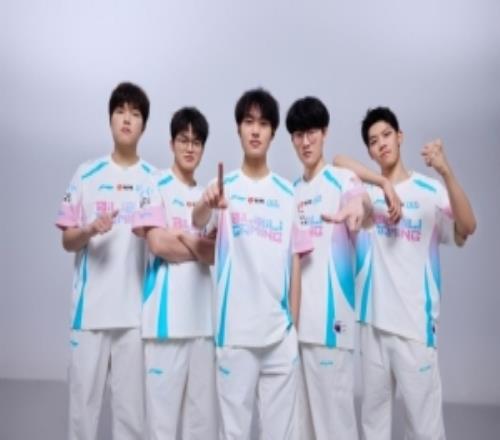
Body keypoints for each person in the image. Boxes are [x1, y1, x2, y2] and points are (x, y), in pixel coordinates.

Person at [334, 106, 476, 439]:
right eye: (373, 141)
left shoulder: (429, 191)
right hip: (373, 326)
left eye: (386, 135)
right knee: (373, 426)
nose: (381, 143)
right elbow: (338, 161)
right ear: (369, 151)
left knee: (424, 429)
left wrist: (446, 171)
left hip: (415, 328)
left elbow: (468, 226)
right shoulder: (367, 193)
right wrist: (383, 182)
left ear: (400, 137)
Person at [192, 88, 310, 439]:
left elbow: (295, 260)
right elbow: (198, 221)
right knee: (234, 433)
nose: (255, 130)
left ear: (273, 132)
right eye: (248, 122)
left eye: (263, 123)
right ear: (238, 129)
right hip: (235, 336)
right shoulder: (222, 187)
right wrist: (206, 202)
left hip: (279, 337)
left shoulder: (287, 193)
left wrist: (293, 329)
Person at [55, 82, 153, 440]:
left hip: (133, 317)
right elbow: (67, 241)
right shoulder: (86, 174)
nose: (127, 119)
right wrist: (89, 229)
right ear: (110, 119)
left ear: (143, 125)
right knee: (83, 413)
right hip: (90, 315)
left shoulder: (153, 180)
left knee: (131, 417)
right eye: (120, 111)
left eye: (135, 113)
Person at [286, 96, 371, 439]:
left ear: (325, 133)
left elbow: (362, 204)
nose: (305, 142)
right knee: (299, 429)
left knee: (334, 428)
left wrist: (359, 208)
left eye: (312, 133)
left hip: (331, 326)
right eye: (298, 135)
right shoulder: (290, 192)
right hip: (294, 329)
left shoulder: (343, 180)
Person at [131, 107, 218, 440]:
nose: (190, 148)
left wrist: (182, 238)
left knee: (202, 427)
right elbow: (158, 244)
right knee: (161, 427)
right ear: (172, 144)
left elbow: (215, 255)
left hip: (202, 326)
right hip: (164, 325)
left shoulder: (208, 197)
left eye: (197, 142)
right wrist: (198, 245)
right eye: (184, 140)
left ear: (203, 148)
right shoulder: (154, 185)